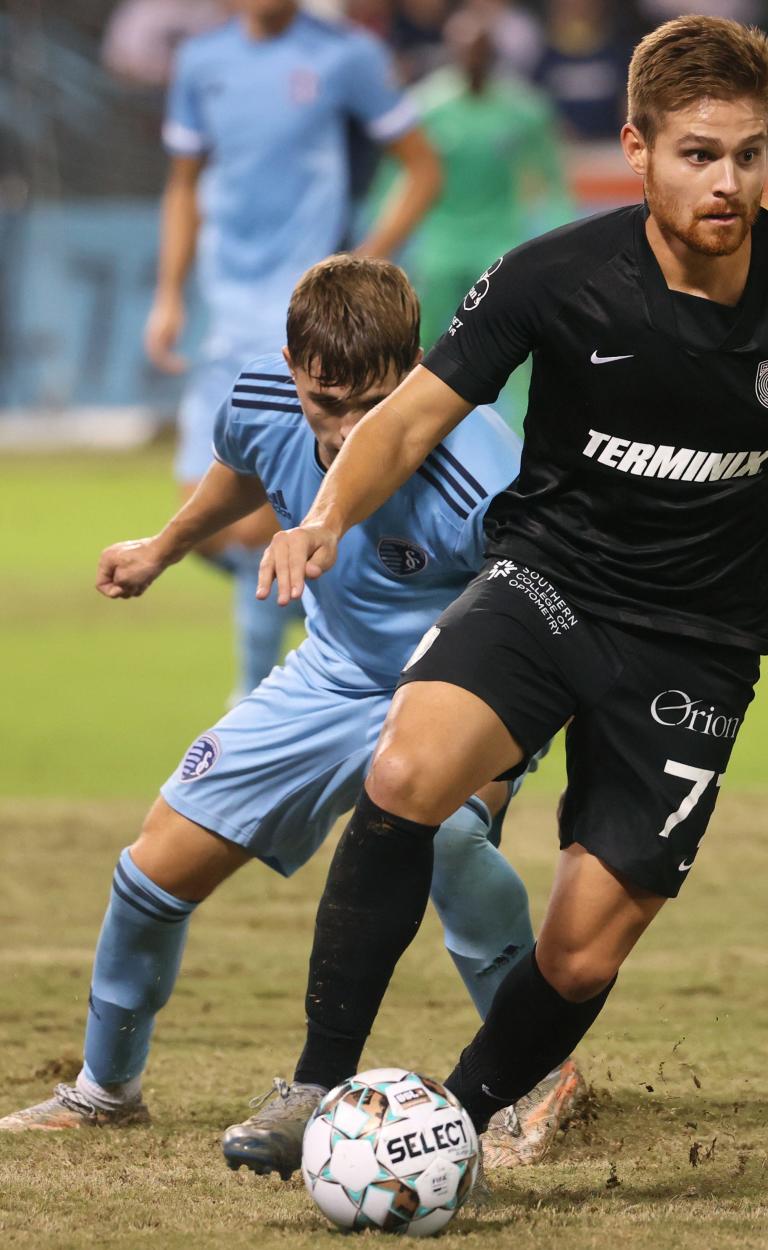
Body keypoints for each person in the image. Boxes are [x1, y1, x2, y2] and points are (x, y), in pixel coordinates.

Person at [248, 14, 768, 1153]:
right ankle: (315, 1086)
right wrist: (324, 518)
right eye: (699, 154)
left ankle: (444, 1131)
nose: (728, 181)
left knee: (580, 953)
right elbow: (411, 414)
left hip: (699, 644)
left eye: (750, 153)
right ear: (638, 149)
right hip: (549, 588)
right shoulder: (557, 277)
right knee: (407, 766)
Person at [0, 257, 574, 1176]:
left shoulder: (486, 471)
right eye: (324, 403)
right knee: (152, 872)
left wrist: (500, 756)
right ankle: (105, 1093)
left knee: (456, 849)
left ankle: (540, 1088)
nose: (346, 432)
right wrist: (165, 545)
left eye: (371, 406)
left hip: (465, 685)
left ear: (418, 369)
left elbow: (541, 612)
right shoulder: (263, 396)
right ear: (292, 367)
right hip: (332, 675)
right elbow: (240, 469)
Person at [145, 0, 441, 700]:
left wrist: (362, 267)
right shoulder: (202, 62)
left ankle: (258, 698)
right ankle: (337, 626)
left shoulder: (346, 56)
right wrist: (168, 293)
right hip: (227, 317)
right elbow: (184, 184)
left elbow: (421, 169)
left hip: (306, 326)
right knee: (205, 524)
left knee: (257, 528)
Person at [377, 7, 573, 429]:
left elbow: (552, 181)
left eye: (483, 50)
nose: (474, 58)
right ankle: (406, 433)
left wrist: (565, 242)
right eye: (466, 50)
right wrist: (383, 245)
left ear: (496, 53)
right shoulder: (426, 107)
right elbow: (395, 180)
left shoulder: (523, 110)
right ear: (451, 51)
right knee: (422, 347)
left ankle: (525, 440)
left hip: (499, 243)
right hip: (440, 245)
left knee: (520, 348)